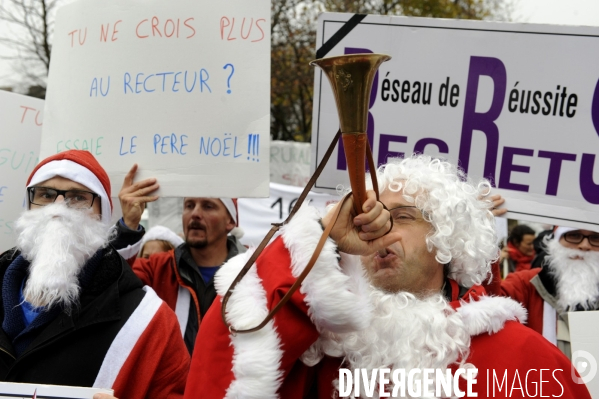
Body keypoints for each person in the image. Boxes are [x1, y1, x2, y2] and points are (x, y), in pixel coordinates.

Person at [183, 155, 590, 398]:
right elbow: (222, 365)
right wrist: (320, 240)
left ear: (447, 238)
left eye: (402, 216)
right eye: (366, 219)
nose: (376, 229)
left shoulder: (522, 358)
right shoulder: (320, 352)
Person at [0, 150, 189, 398]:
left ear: (102, 217)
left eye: (78, 197)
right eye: (45, 195)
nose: (58, 210)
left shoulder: (150, 323)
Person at [115, 165, 247, 354]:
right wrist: (127, 227)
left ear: (231, 221)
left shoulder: (254, 272)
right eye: (189, 205)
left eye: (208, 206)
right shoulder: (157, 268)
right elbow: (112, 290)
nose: (195, 214)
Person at [490, 226, 599, 358]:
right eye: (574, 236)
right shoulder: (525, 283)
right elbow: (480, 302)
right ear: (556, 240)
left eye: (595, 238)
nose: (584, 245)